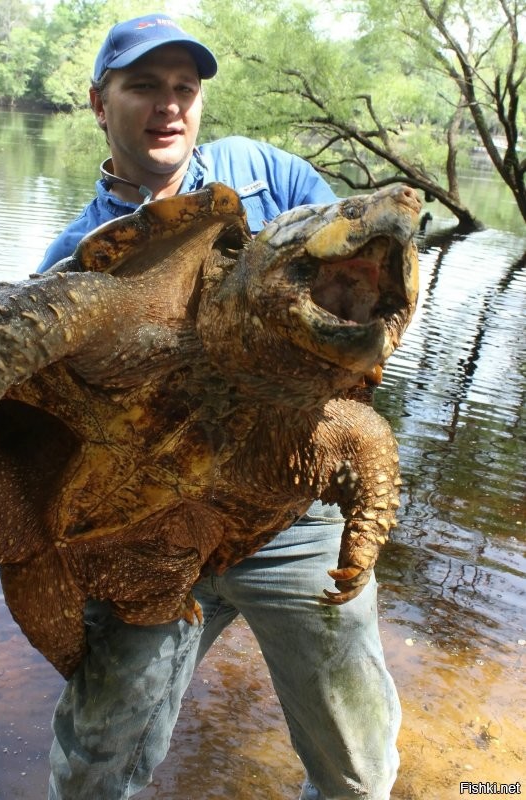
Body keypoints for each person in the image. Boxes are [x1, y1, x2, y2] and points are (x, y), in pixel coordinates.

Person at [38, 14, 401, 800]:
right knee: (101, 758)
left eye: (184, 88)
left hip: (292, 506)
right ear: (100, 103)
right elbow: (46, 426)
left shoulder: (265, 174)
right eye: (144, 87)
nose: (168, 104)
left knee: (356, 760)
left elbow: (366, 275)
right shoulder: (74, 255)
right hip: (151, 530)